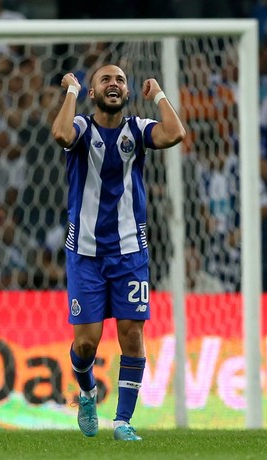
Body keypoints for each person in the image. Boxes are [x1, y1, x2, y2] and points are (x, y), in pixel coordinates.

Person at [51, 64, 185, 441]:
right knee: (86, 343)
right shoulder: (80, 127)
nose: (114, 84)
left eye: (120, 80)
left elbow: (175, 133)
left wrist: (158, 93)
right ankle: (88, 391)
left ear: (127, 93)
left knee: (131, 335)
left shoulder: (138, 129)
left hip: (130, 253)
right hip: (86, 253)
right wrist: (71, 91)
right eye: (105, 80)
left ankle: (123, 421)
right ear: (93, 94)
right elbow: (60, 133)